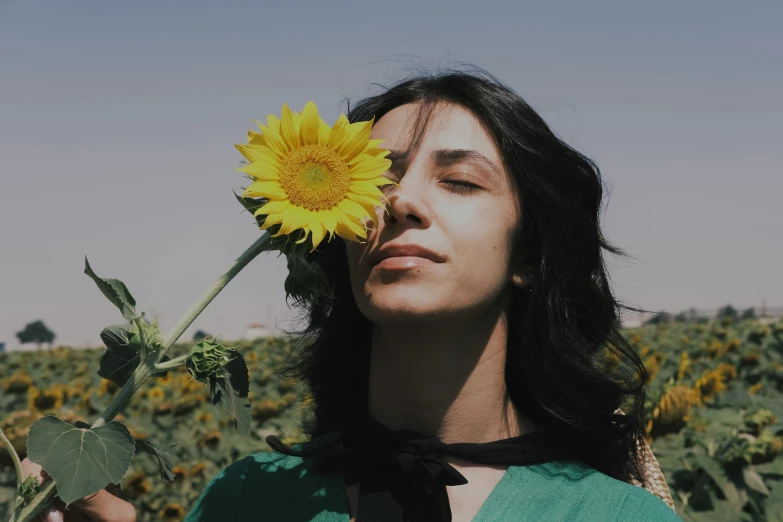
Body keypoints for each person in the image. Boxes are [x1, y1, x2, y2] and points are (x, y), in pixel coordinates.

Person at [21, 66, 682, 521]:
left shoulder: (612, 514)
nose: (400, 202)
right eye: (373, 182)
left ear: (529, 256)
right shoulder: (248, 498)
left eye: (458, 181)